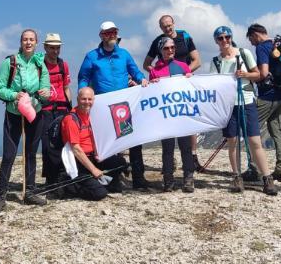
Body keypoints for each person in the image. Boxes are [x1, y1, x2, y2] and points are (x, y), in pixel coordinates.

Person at [78, 20, 151, 190]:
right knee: (108, 143)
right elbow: (83, 78)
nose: (111, 35)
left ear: (117, 34)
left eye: (114, 32)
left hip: (124, 107)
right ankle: (113, 179)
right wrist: (83, 92)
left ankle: (138, 178)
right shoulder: (92, 56)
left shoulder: (124, 54)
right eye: (107, 33)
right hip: (103, 108)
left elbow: (135, 71)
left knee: (133, 140)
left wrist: (142, 79)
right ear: (101, 35)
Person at [206, 25, 279, 196]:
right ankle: (237, 176)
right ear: (216, 41)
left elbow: (259, 74)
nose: (224, 41)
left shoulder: (244, 54)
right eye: (220, 38)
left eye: (227, 37)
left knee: (255, 141)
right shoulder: (216, 62)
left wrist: (244, 75)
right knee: (232, 142)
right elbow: (212, 84)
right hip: (228, 105)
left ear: (231, 38)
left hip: (246, 101)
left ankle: (267, 178)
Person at [0, 29, 51, 213]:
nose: (28, 42)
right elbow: (0, 89)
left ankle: (30, 192)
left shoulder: (41, 63)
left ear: (36, 42)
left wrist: (45, 93)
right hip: (13, 113)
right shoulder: (9, 62)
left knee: (31, 153)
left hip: (35, 111)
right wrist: (14, 95)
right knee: (9, 155)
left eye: (31, 39)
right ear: (20, 42)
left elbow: (46, 87)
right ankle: (1, 196)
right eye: (25, 39)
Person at [143, 14, 202, 166]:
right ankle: (170, 162)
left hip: (184, 81)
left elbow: (197, 60)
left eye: (169, 25)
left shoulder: (185, 36)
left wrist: (183, 73)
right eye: (164, 26)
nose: (168, 28)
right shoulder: (158, 41)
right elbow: (146, 64)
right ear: (161, 28)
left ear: (173, 23)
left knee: (188, 120)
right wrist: (156, 72)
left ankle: (192, 156)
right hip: (166, 86)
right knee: (168, 122)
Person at [61, 87, 128, 201]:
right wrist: (93, 170)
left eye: (90, 99)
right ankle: (70, 186)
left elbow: (96, 137)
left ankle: (102, 182)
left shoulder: (91, 115)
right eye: (83, 99)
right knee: (99, 194)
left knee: (121, 162)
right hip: (79, 162)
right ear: (77, 99)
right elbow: (76, 149)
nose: (87, 102)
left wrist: (98, 153)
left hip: (93, 156)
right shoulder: (71, 120)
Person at [242, 23, 281, 183]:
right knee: (277, 130)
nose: (251, 42)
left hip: (267, 96)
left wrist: (245, 75)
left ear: (255, 34)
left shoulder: (261, 47)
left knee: (252, 130)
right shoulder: (278, 45)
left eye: (251, 39)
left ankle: (254, 169)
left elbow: (262, 73)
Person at [148, 36, 196, 193]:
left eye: (172, 48)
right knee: (167, 149)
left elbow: (191, 90)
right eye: (166, 48)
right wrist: (151, 85)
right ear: (160, 51)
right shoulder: (155, 71)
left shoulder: (183, 66)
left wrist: (190, 79)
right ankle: (168, 178)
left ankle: (188, 178)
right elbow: (152, 95)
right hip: (166, 116)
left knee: (186, 147)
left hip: (182, 114)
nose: (170, 50)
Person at [39, 33, 73, 191]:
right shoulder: (39, 65)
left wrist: (70, 107)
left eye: (57, 48)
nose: (55, 51)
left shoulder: (63, 65)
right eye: (52, 47)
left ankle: (62, 175)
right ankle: (50, 178)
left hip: (62, 108)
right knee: (47, 145)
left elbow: (66, 87)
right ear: (45, 47)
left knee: (63, 142)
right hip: (45, 109)